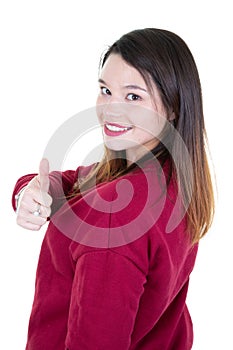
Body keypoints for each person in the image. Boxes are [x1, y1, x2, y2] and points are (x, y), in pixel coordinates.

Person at [12, 28, 214, 350]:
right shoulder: (172, 181)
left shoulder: (112, 214)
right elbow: (76, 180)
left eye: (133, 96)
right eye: (105, 90)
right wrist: (31, 193)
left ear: (173, 107)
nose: (110, 109)